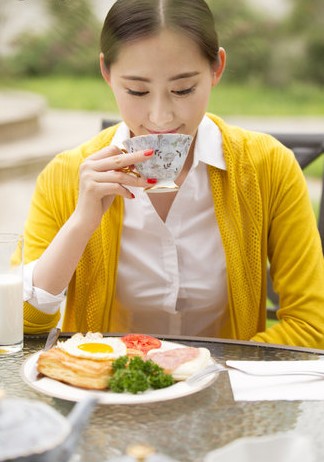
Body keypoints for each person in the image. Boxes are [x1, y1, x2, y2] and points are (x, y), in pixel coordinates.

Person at [23, 0, 324, 348]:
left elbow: (311, 326)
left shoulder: (270, 167)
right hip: (105, 394)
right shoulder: (65, 176)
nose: (161, 117)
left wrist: (196, 376)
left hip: (227, 394)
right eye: (137, 91)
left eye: (183, 90)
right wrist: (81, 224)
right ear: (106, 73)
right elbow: (23, 328)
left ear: (216, 68)